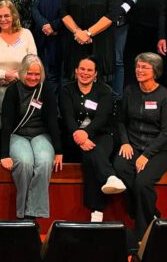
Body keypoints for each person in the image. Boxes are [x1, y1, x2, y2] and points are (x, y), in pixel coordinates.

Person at [114, 52, 167, 239]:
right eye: (138, 67)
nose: (139, 70)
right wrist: (125, 142)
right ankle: (152, 213)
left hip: (158, 150)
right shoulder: (130, 91)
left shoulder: (165, 96)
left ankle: (142, 231)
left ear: (155, 71)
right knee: (120, 167)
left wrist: (147, 155)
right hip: (133, 145)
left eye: (144, 67)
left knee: (142, 183)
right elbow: (121, 121)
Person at [60, 56, 125, 222]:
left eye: (89, 70)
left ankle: (96, 212)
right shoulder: (66, 90)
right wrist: (79, 136)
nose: (85, 73)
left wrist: (86, 133)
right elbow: (67, 117)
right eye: (82, 69)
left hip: (103, 134)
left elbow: (102, 118)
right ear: (76, 71)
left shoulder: (104, 91)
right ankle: (109, 178)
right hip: (74, 136)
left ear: (95, 74)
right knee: (91, 154)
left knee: (92, 154)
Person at [0, 54, 63, 220]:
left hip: (40, 134)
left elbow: (52, 121)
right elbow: (6, 123)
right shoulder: (13, 90)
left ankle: (33, 214)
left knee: (43, 162)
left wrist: (58, 150)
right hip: (18, 134)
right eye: (29, 73)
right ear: (22, 72)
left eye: (37, 74)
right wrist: (4, 154)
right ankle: (22, 213)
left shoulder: (46, 89)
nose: (33, 77)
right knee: (25, 163)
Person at [0, 1, 37, 108]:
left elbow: (33, 64)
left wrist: (15, 76)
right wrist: (4, 74)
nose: (3, 20)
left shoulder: (26, 34)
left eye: (6, 16)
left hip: (21, 88)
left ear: (14, 16)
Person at [33, 0, 72, 90]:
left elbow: (69, 11)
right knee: (45, 75)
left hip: (62, 36)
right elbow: (35, 8)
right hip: (43, 36)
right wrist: (44, 25)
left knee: (60, 76)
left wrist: (54, 27)